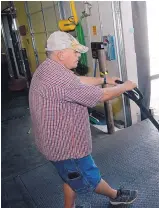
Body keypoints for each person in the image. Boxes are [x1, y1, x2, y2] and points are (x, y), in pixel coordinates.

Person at [29, 31, 138, 208]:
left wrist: (105, 79)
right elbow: (101, 96)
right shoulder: (59, 79)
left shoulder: (48, 68)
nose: (79, 56)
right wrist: (126, 86)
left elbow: (77, 81)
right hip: (67, 148)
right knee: (89, 178)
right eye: (76, 52)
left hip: (53, 143)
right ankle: (115, 195)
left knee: (70, 176)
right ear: (61, 53)